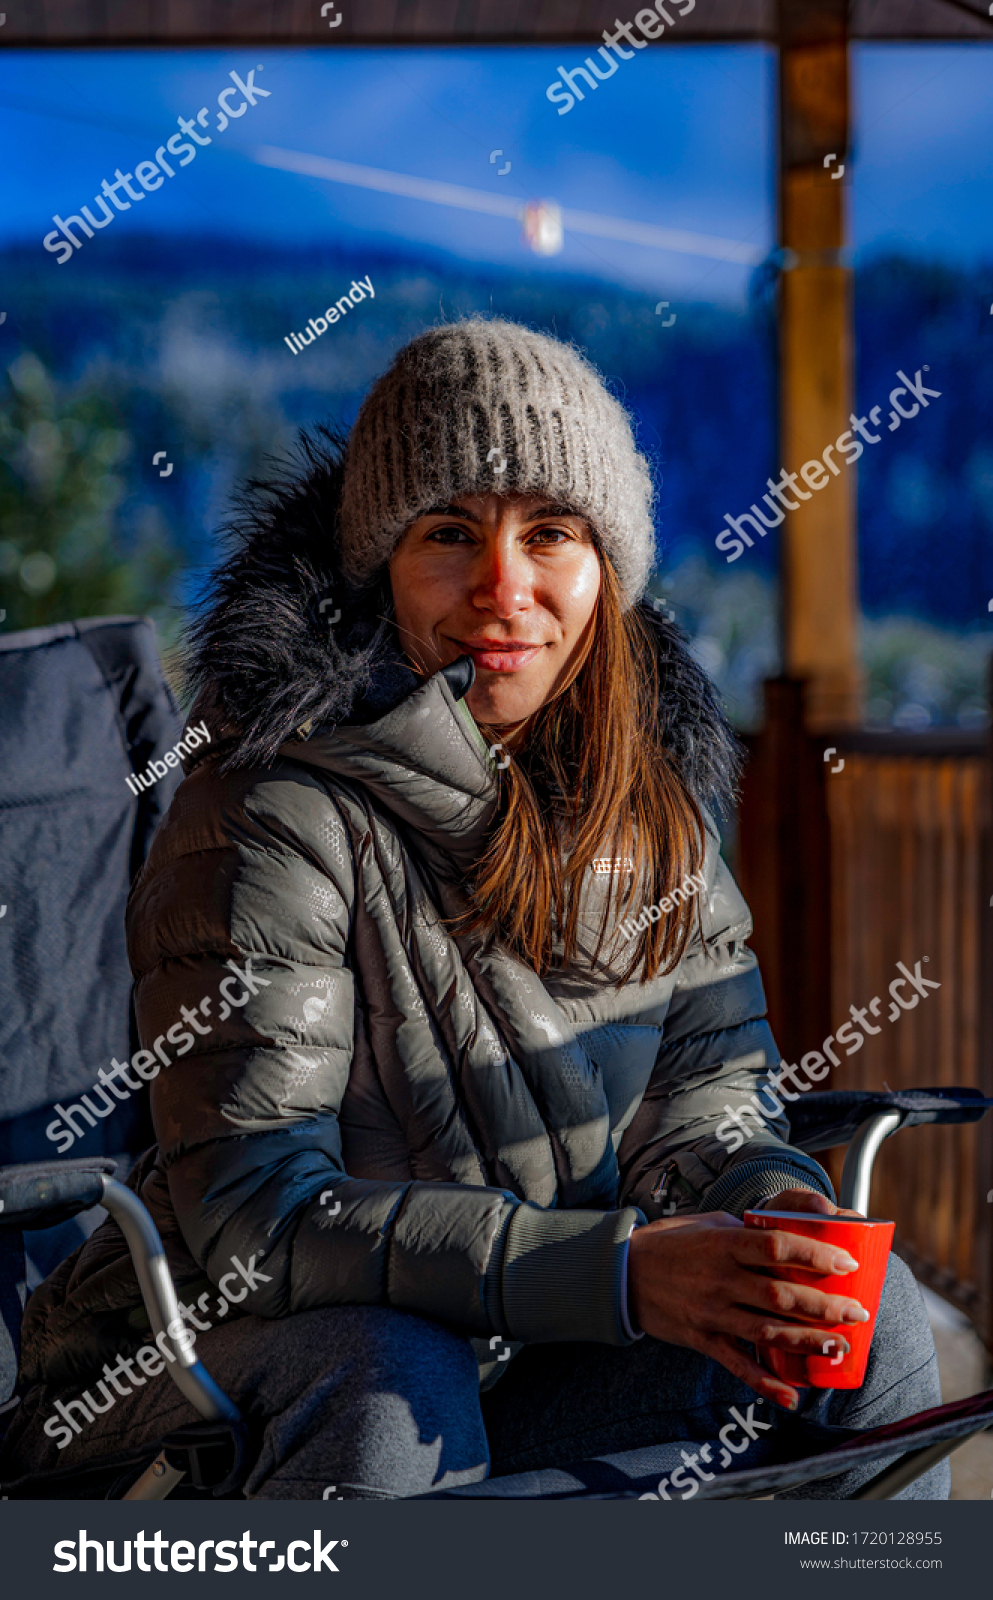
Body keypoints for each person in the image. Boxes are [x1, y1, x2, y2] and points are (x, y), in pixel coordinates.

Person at [0, 319, 947, 1499]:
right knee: (393, 1374)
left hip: (516, 1349)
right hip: (198, 1362)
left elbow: (706, 1102)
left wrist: (770, 1220)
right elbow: (260, 1220)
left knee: (871, 1316)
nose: (506, 587)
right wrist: (618, 1274)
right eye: (450, 533)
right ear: (378, 561)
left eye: (551, 533)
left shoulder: (649, 800)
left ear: (607, 568)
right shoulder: (270, 805)